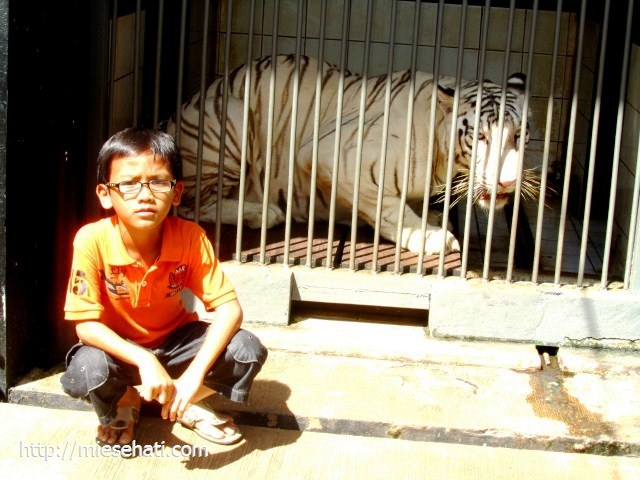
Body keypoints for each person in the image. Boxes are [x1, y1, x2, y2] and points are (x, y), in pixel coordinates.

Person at [60, 126, 268, 446]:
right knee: (87, 369)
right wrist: (145, 360)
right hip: (120, 350)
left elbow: (229, 309)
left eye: (158, 182)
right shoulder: (91, 239)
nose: (145, 195)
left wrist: (193, 377)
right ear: (105, 194)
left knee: (246, 350)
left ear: (177, 192)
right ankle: (125, 401)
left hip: (175, 343)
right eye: (128, 184)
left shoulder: (190, 237)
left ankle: (183, 401)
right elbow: (85, 326)